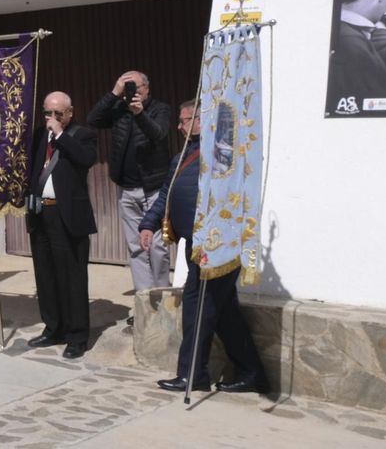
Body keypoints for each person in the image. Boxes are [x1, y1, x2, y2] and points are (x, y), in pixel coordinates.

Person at [141, 100, 269, 393]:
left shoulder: (222, 154)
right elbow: (166, 194)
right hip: (195, 245)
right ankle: (252, 373)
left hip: (218, 245)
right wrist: (148, 224)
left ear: (201, 120)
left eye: (185, 120)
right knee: (223, 313)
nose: (180, 126)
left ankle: (193, 375)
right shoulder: (182, 155)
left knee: (200, 310)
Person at [89, 70, 175, 298]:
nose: (132, 92)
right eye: (127, 86)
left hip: (154, 189)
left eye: (135, 87)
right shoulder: (119, 110)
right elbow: (93, 119)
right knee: (136, 248)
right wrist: (114, 93)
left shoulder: (160, 109)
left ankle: (162, 295)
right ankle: (144, 299)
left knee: (157, 247)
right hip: (127, 189)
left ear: (146, 88)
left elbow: (158, 134)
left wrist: (139, 114)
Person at [25, 91, 98, 358]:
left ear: (69, 113)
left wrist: (61, 135)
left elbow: (86, 159)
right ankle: (53, 328)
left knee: (73, 278)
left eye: (57, 114)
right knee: (46, 275)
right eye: (47, 113)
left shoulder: (81, 135)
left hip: (68, 217)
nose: (51, 119)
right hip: (41, 213)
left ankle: (77, 336)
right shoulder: (38, 136)